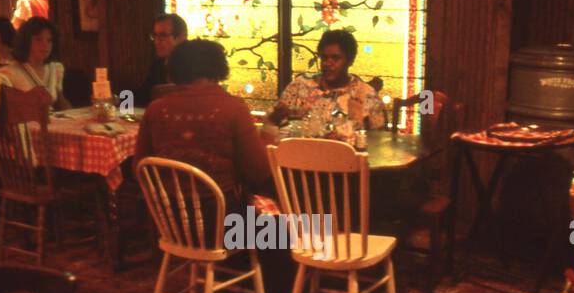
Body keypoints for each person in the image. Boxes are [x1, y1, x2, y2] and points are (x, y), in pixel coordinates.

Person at [134, 38, 271, 208]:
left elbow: (139, 168)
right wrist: (266, 137)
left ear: (174, 69)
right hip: (225, 220)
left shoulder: (155, 109)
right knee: (288, 228)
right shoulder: (234, 108)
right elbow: (259, 173)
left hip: (171, 218)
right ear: (219, 68)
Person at [0, 16, 69, 174]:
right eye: (38, 39)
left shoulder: (54, 69)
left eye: (49, 40)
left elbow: (60, 102)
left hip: (55, 136)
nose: (45, 45)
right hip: (25, 150)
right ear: (26, 41)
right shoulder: (10, 73)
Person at [268, 28, 386, 131]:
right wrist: (277, 116)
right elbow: (273, 122)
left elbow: (380, 140)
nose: (327, 63)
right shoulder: (299, 85)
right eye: (324, 57)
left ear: (350, 60)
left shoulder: (366, 94)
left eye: (335, 58)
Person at [135, 13, 187, 107]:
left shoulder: (193, 65)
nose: (157, 41)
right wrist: (118, 100)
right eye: (155, 35)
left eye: (163, 35)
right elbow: (143, 96)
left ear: (181, 37)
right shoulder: (159, 64)